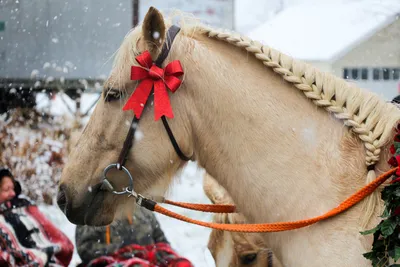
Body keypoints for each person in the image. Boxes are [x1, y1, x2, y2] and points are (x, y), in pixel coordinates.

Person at [0, 167, 74, 266]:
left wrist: (44, 254)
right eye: (6, 189)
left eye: (13, 188)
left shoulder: (28, 209)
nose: (12, 193)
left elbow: (59, 240)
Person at [75, 206, 193, 267]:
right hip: (112, 262)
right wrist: (123, 252)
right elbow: (85, 250)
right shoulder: (92, 211)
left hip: (150, 259)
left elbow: (161, 240)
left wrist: (155, 254)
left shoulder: (140, 206)